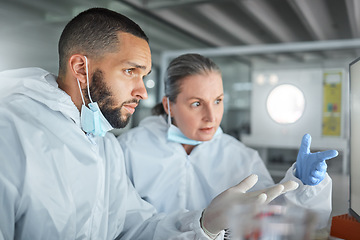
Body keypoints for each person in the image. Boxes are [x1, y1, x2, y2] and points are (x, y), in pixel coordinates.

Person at [0, 8, 299, 240]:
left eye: (144, 75)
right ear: (81, 67)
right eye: (131, 71)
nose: (143, 91)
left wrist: (205, 224)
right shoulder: (11, 131)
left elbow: (136, 227)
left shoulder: (102, 145)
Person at [117, 53, 339, 231]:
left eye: (218, 101)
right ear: (169, 106)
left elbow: (274, 220)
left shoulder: (241, 157)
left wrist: (304, 186)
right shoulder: (130, 149)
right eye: (196, 104)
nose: (211, 117)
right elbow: (122, 225)